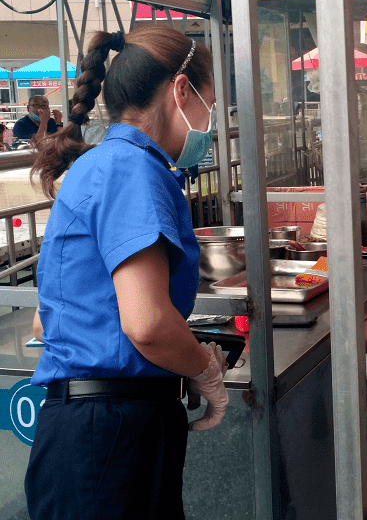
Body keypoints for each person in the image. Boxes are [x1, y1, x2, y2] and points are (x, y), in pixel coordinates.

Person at [25, 26, 228, 520]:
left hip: (97, 433)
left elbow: (48, 319)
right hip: (108, 435)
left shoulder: (105, 164)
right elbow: (147, 324)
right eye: (210, 104)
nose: (211, 122)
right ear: (181, 91)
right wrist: (203, 368)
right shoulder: (132, 170)